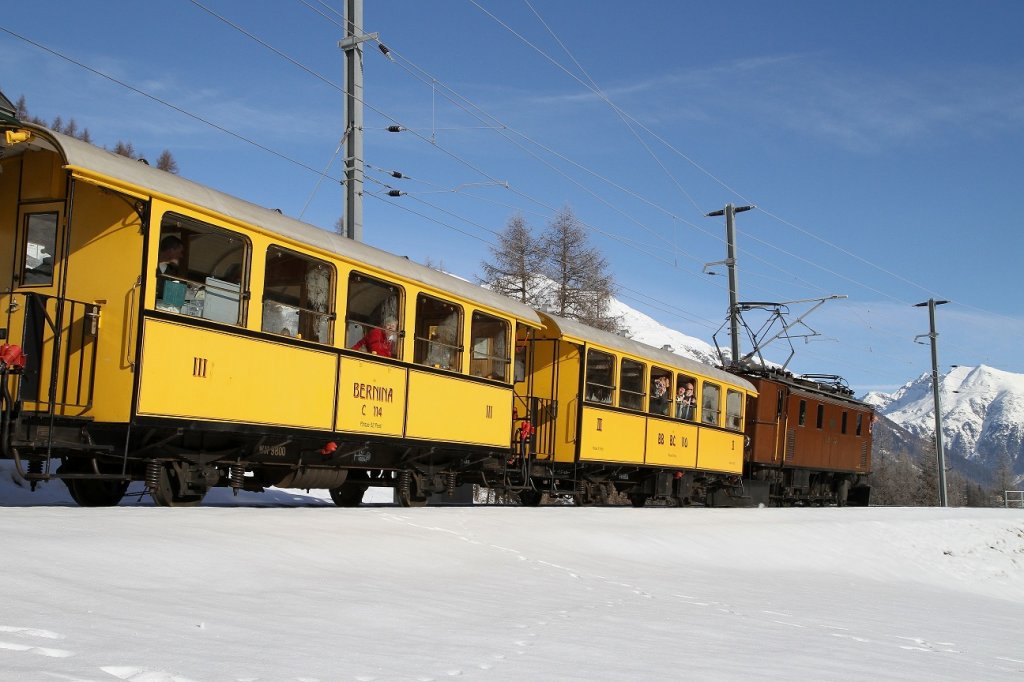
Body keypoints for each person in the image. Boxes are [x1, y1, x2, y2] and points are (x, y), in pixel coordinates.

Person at [156, 235, 184, 300]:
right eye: (179, 252)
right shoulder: (149, 265)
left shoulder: (172, 272)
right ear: (171, 250)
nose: (181, 256)